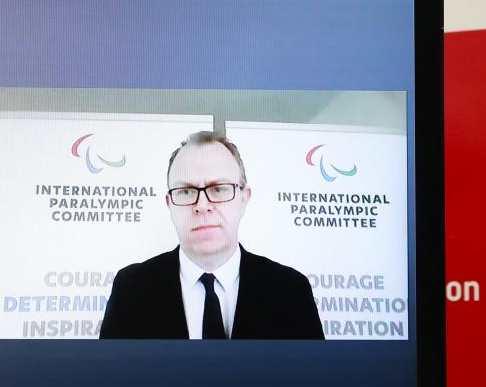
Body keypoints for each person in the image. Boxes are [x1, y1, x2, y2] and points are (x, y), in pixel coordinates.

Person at [100, 131, 323, 340]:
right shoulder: (131, 289)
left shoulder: (291, 291)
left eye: (219, 188)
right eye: (186, 191)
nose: (202, 205)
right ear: (169, 204)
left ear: (243, 199)